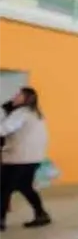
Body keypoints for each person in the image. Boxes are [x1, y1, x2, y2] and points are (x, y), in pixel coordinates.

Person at [0, 87, 51, 231]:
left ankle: (0, 222)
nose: (14, 97)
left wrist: (7, 114)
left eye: (18, 95)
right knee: (25, 187)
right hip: (33, 158)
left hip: (18, 158)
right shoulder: (36, 114)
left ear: (26, 98)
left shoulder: (21, 113)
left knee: (3, 189)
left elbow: (4, 129)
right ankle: (41, 215)